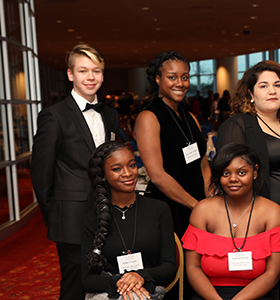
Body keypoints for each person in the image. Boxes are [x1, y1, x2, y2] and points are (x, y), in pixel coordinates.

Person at [216, 60, 280, 299]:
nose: (272, 90)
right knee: (264, 284)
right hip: (260, 222)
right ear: (251, 94)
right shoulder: (239, 124)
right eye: (264, 86)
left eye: (277, 85)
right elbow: (230, 176)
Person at [31, 43, 119, 299]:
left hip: (107, 213)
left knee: (104, 279)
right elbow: (41, 173)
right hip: (70, 218)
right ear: (70, 74)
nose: (90, 77)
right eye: (83, 71)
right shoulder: (54, 116)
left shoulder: (110, 114)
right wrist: (56, 214)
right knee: (74, 284)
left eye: (96, 70)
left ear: (103, 74)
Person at [183, 143, 280, 300]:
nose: (233, 179)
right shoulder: (203, 210)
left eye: (242, 172)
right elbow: (192, 267)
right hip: (209, 295)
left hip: (257, 294)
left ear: (255, 172)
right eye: (225, 174)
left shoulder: (272, 213)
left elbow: (273, 273)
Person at [82, 141, 175, 300]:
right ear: (103, 174)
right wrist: (120, 282)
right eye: (117, 169)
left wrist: (141, 276)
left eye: (131, 165)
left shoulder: (159, 209)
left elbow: (169, 266)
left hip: (148, 291)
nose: (127, 173)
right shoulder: (92, 216)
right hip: (106, 293)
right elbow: (87, 280)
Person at [134, 51, 211, 237]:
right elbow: (158, 176)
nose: (180, 83)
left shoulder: (191, 117)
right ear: (158, 79)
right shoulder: (148, 117)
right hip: (169, 207)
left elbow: (203, 164)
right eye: (172, 77)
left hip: (199, 205)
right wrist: (197, 205)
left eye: (185, 77)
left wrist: (210, 200)